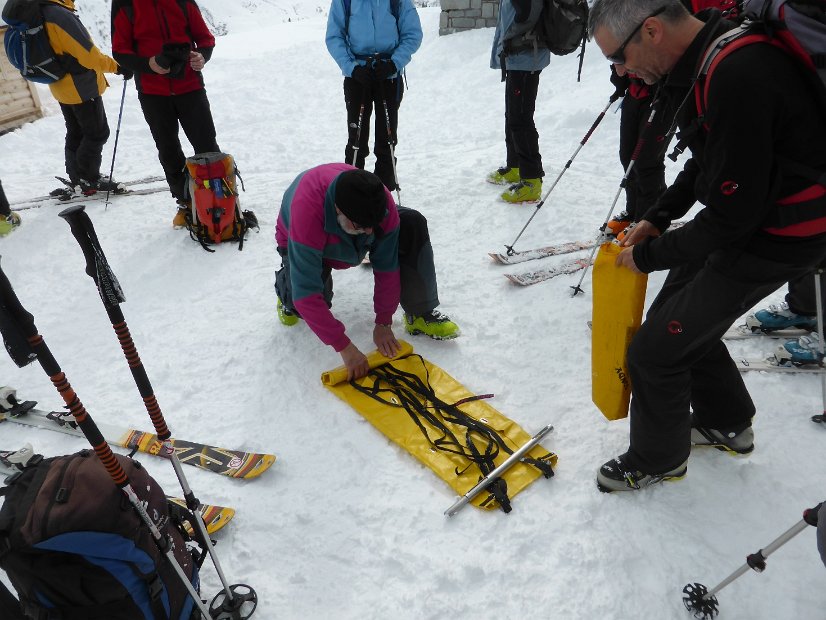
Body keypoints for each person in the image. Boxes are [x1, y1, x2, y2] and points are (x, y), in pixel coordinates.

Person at [588, 0, 826, 492]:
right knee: (676, 320)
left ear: (650, 30)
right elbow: (706, 160)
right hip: (756, 222)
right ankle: (728, 423)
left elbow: (730, 219)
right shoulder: (712, 56)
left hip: (780, 237)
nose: (620, 71)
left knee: (655, 352)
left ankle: (658, 459)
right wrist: (658, 216)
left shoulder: (738, 72)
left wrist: (650, 256)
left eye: (618, 57)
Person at [274, 164, 460, 379]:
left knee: (411, 221)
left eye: (374, 224)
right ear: (338, 210)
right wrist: (344, 347)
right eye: (363, 226)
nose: (370, 231)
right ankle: (285, 287)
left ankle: (420, 311)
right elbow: (306, 294)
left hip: (347, 226)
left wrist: (383, 321)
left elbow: (387, 268)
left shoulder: (381, 203)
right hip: (303, 238)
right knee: (304, 303)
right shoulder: (306, 214)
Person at [112, 0, 220, 226]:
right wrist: (149, 64)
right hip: (152, 93)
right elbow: (121, 51)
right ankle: (186, 203)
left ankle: (218, 200)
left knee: (206, 145)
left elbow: (205, 38)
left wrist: (202, 56)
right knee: (169, 149)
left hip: (190, 87)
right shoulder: (125, 4)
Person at [325, 0, 422, 192]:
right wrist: (351, 68)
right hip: (357, 75)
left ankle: (384, 196)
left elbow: (413, 34)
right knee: (356, 141)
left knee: (387, 140)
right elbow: (334, 36)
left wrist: (394, 63)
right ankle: (350, 194)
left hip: (388, 75)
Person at [40, 0, 123, 200]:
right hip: (80, 87)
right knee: (97, 133)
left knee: (76, 132)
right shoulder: (59, 15)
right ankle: (89, 178)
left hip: (60, 85)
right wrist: (118, 67)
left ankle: (77, 177)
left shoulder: (40, 11)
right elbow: (89, 56)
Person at [486, 0, 548, 204]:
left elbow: (529, 13)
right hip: (517, 57)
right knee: (512, 115)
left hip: (526, 56)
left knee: (520, 119)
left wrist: (512, 39)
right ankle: (515, 166)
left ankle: (531, 180)